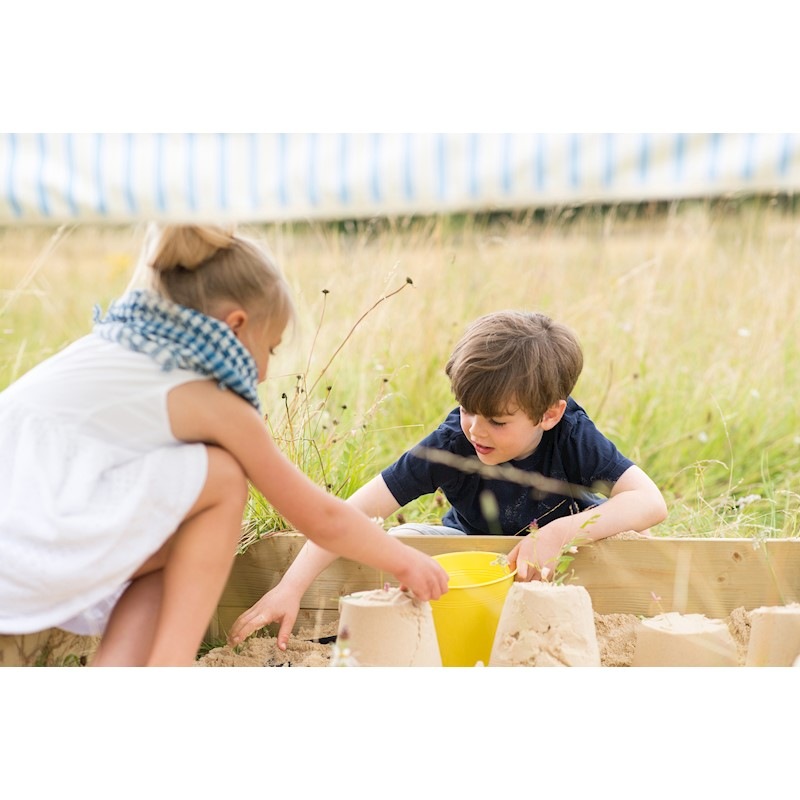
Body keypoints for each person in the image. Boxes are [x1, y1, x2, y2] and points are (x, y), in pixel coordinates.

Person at [0, 224, 448, 667]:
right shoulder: (212, 402)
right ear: (235, 326)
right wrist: (405, 561)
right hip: (26, 555)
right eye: (269, 349)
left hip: (22, 542)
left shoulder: (114, 346)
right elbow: (321, 517)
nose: (266, 373)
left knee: (172, 540)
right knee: (223, 476)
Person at [228, 309, 668, 650]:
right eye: (466, 409)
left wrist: (555, 534)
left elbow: (651, 504)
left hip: (562, 564)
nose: (476, 429)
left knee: (634, 542)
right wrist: (290, 587)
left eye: (497, 421)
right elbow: (352, 514)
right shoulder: (451, 444)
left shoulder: (572, 434)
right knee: (401, 543)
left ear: (550, 413)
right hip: (471, 560)